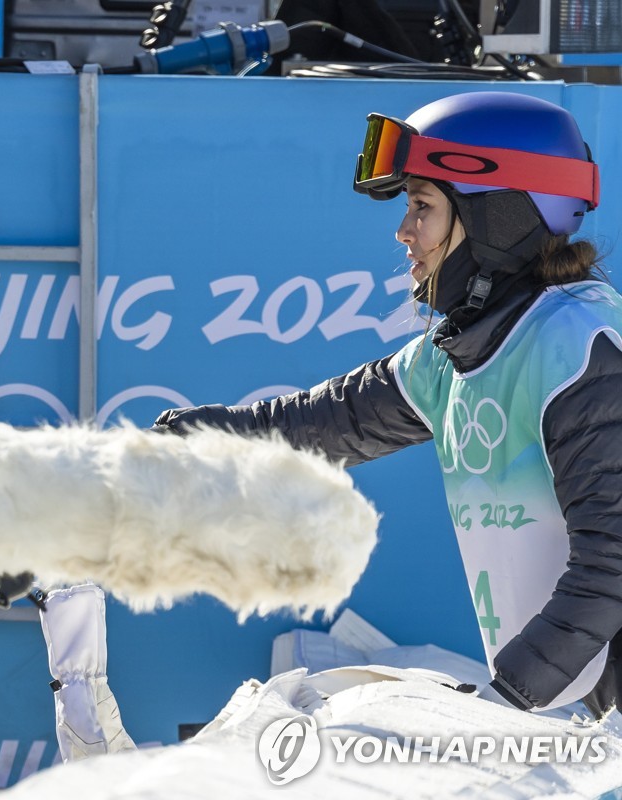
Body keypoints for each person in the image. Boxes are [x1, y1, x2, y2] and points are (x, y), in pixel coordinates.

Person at [154, 91, 622, 718]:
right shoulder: (456, 353)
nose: (404, 232)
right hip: (580, 714)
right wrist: (197, 441)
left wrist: (502, 705)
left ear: (501, 216)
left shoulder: (581, 350)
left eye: (422, 206)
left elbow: (612, 562)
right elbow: (326, 423)